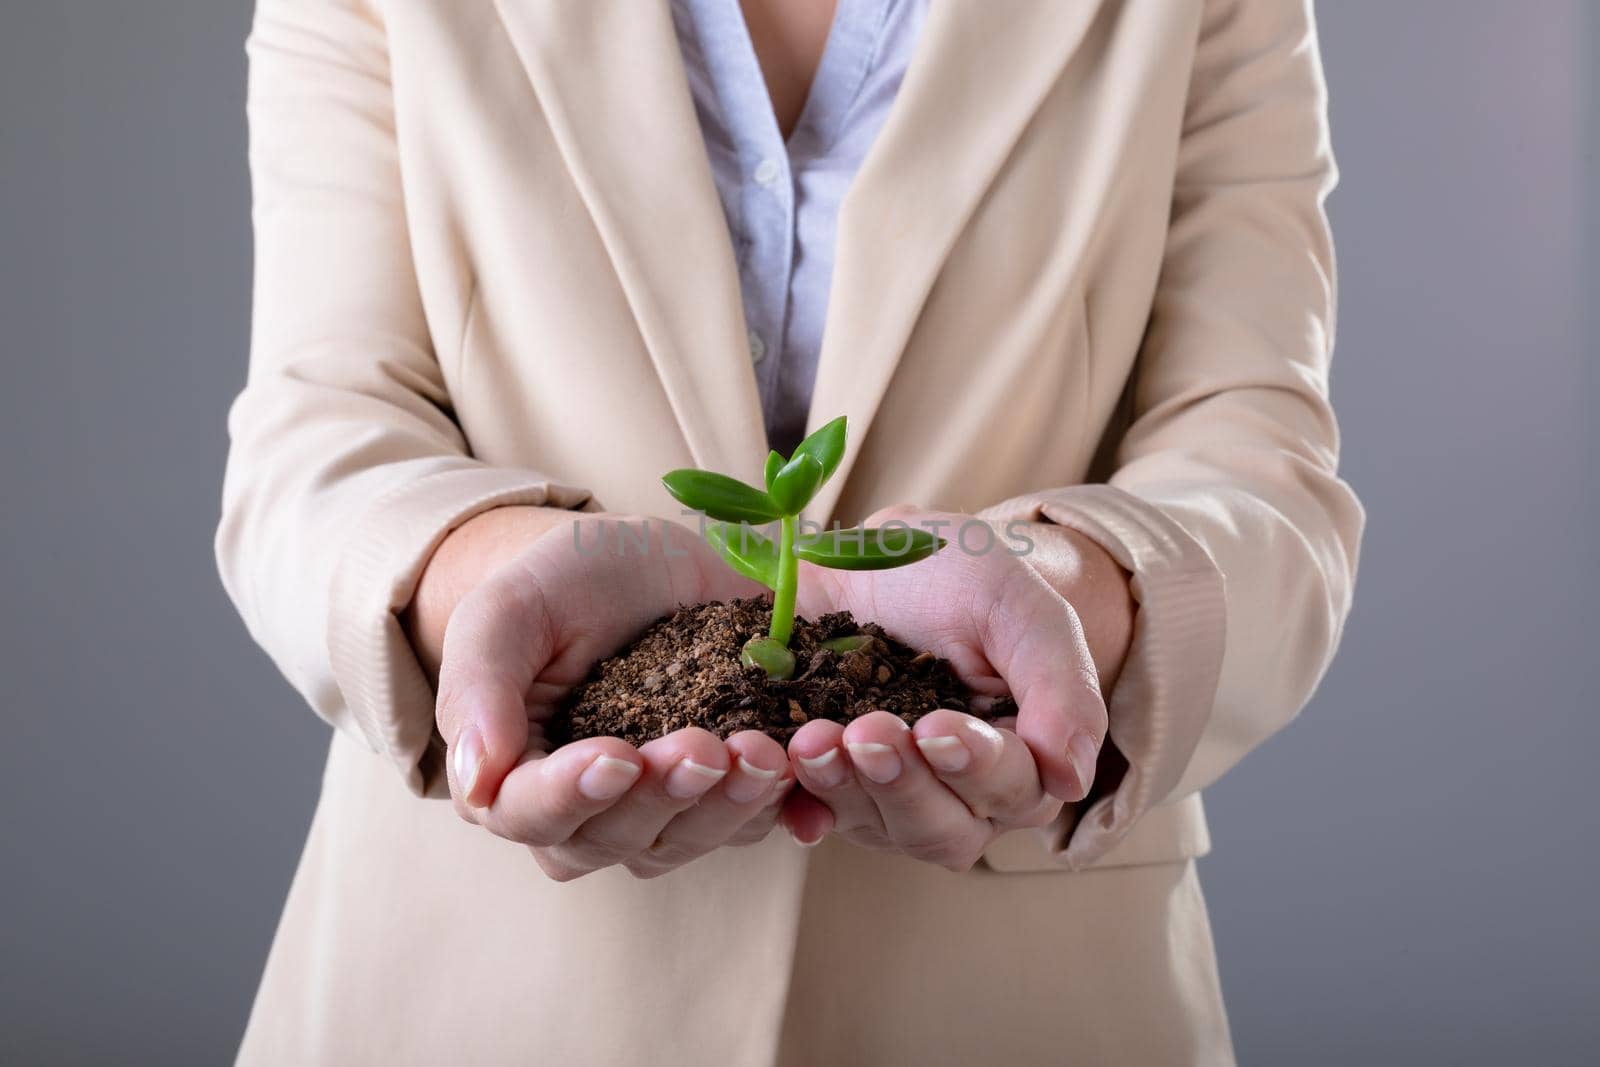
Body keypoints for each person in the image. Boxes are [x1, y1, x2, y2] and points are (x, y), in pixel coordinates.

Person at [217, 0, 1364, 1063]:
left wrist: (1056, 589)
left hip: (1017, 999)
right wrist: (496, 580)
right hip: (475, 989)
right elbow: (318, 438)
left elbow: (1258, 466)